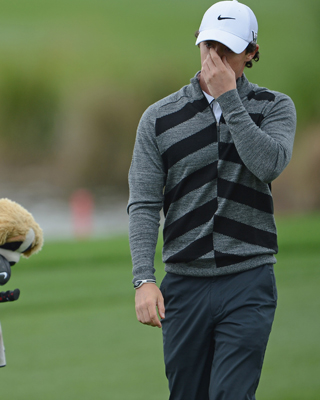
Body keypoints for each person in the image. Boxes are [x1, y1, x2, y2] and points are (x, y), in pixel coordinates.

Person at [127, 1, 296, 399]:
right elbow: (145, 204)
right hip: (185, 286)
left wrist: (229, 100)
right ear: (198, 43)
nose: (216, 59)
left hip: (248, 280)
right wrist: (144, 279)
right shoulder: (158, 118)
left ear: (252, 52)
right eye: (210, 47)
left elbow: (268, 165)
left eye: (229, 50)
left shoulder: (273, 107)